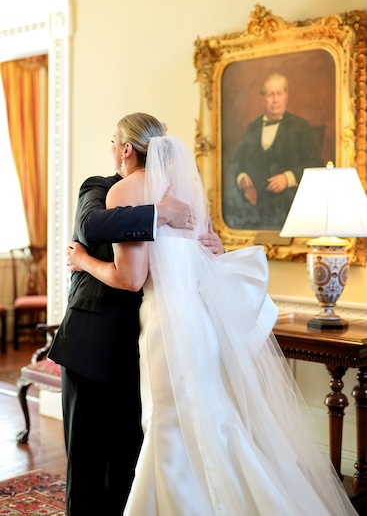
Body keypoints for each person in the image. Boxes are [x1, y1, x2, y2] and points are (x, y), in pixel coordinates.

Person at [68, 112, 357, 515]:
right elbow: (200, 256)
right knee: (212, 421)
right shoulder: (185, 196)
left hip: (164, 329)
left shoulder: (126, 193)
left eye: (113, 142)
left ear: (127, 149)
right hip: (199, 325)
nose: (111, 150)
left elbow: (131, 279)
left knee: (168, 426)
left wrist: (82, 260)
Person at [48, 123, 224, 516]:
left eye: (113, 142)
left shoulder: (179, 195)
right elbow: (90, 226)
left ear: (126, 148)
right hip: (92, 342)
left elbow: (196, 253)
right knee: (87, 457)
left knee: (130, 459)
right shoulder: (101, 186)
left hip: (147, 343)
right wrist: (158, 213)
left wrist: (215, 245)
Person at [228, 73, 324, 230]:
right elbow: (238, 162)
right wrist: (242, 178)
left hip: (287, 205)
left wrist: (288, 178)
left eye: (279, 93)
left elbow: (316, 164)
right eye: (270, 94)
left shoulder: (300, 126)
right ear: (263, 97)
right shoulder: (253, 127)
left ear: (286, 95)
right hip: (253, 206)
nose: (275, 99)